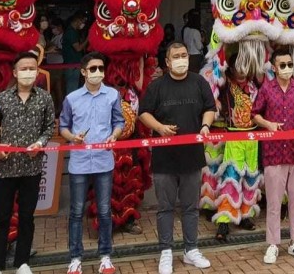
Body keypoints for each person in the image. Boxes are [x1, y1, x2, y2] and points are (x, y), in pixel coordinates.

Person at [139, 43, 216, 274]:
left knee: (191, 207)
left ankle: (191, 249)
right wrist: (159, 128)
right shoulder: (157, 86)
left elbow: (209, 107)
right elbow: (143, 113)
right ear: (168, 62)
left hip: (192, 156)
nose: (181, 59)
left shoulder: (199, 82)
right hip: (164, 158)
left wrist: (205, 125)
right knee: (166, 207)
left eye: (184, 55)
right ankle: (166, 252)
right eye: (176, 56)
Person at [0, 52, 57, 274]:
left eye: (32, 68)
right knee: (2, 217)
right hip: (5, 168)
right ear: (15, 73)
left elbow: (49, 127)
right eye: (24, 69)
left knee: (27, 217)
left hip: (31, 167)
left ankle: (22, 263)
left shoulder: (45, 98)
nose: (28, 72)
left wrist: (40, 142)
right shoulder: (3, 98)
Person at [59, 52, 126, 274]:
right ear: (83, 71)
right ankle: (75, 258)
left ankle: (105, 257)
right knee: (76, 211)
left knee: (105, 211)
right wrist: (72, 138)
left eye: (101, 68)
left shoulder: (113, 95)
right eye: (93, 68)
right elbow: (63, 126)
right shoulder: (72, 98)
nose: (98, 72)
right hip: (79, 162)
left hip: (103, 160)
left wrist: (114, 135)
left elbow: (119, 121)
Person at [251, 47, 294, 264]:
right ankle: (273, 244)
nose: (287, 68)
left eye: (290, 64)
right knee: (274, 202)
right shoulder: (266, 89)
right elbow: (254, 113)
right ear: (274, 68)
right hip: (274, 152)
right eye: (283, 65)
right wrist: (268, 124)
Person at [63, 13, 89, 94]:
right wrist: (88, 39)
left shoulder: (74, 31)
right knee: (72, 87)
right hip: (72, 64)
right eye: (82, 22)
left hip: (73, 63)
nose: (83, 24)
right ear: (77, 20)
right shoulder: (71, 32)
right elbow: (78, 48)